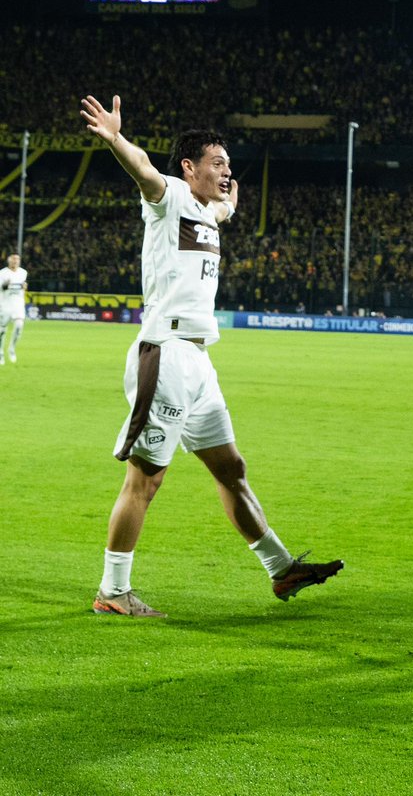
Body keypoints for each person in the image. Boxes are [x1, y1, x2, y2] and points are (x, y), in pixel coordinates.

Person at [81, 94, 343, 617]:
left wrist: (227, 205)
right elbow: (144, 173)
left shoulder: (205, 212)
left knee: (231, 468)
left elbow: (219, 211)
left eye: (228, 165)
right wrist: (115, 139)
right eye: (217, 163)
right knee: (146, 478)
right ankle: (113, 591)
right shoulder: (170, 195)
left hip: (199, 361)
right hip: (166, 353)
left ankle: (280, 568)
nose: (227, 171)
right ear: (189, 167)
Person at [0, 252, 28, 364]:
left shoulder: (23, 272)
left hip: (18, 305)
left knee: (19, 326)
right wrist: (6, 285)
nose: (15, 261)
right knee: (2, 331)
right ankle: (0, 353)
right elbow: (2, 287)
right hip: (5, 304)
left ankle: (11, 349)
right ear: (8, 260)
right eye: (13, 259)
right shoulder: (2, 273)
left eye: (17, 259)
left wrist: (24, 287)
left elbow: (23, 287)